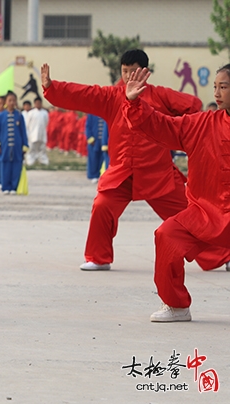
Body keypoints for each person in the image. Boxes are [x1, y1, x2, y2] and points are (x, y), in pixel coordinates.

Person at [41, 50, 230, 272]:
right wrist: (53, 87)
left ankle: (223, 256)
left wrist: (178, 123)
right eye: (125, 71)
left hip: (158, 173)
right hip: (122, 172)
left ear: (145, 72)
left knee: (194, 215)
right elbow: (84, 93)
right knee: (102, 206)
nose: (129, 76)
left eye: (134, 71)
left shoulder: (160, 96)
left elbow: (193, 104)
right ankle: (98, 257)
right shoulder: (112, 96)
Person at [124, 64, 230, 321]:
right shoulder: (202, 123)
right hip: (205, 212)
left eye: (223, 87)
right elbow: (164, 125)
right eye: (215, 87)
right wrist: (135, 103)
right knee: (167, 235)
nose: (216, 93)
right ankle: (176, 305)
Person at [0, 91, 28, 194]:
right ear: (6, 102)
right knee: (5, 166)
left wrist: (25, 146)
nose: (12, 102)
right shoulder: (0, 116)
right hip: (4, 146)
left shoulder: (19, 116)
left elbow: (23, 132)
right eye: (9, 100)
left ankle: (14, 187)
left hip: (17, 146)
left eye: (13, 100)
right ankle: (5, 187)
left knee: (16, 166)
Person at [25, 97, 49, 166]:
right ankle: (30, 160)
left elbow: (46, 122)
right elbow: (27, 124)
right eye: (37, 103)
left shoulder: (45, 113)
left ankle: (43, 160)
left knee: (42, 148)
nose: (38, 104)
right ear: (34, 104)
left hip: (42, 133)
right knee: (32, 148)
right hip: (33, 134)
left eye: (39, 103)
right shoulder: (31, 113)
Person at [85, 114, 108, 182]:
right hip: (94, 141)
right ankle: (94, 175)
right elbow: (88, 126)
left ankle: (102, 175)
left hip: (104, 141)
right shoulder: (91, 114)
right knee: (93, 159)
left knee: (103, 159)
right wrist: (90, 138)